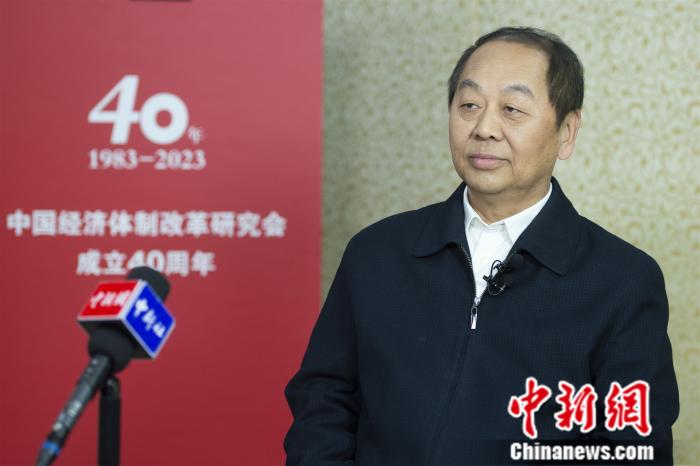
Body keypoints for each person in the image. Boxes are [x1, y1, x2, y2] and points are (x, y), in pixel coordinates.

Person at [284, 27, 679, 465]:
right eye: (469, 105)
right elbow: (324, 395)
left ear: (567, 131)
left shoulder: (623, 281)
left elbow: (634, 448)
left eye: (512, 109)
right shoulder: (376, 252)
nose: (485, 128)